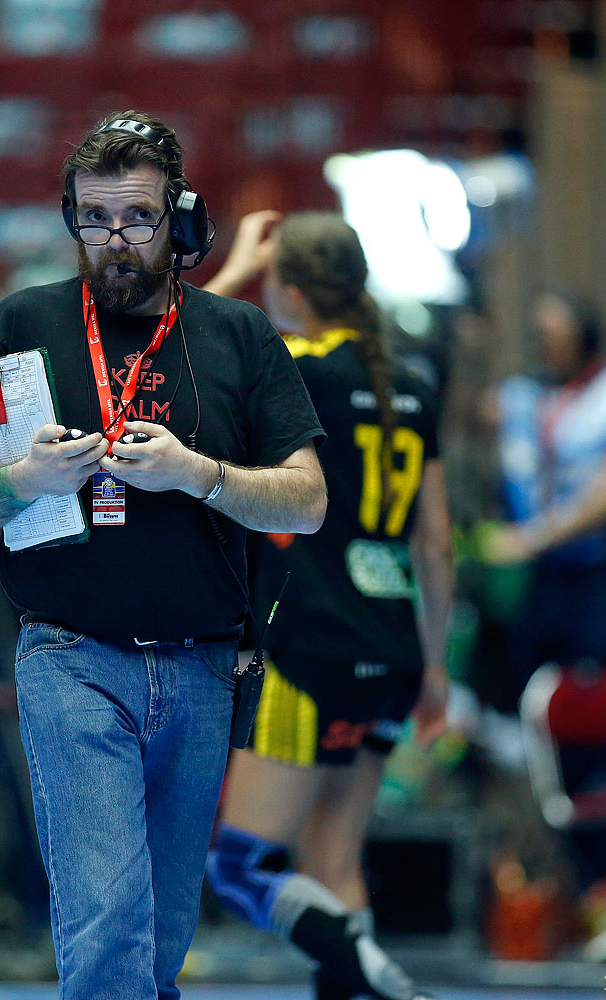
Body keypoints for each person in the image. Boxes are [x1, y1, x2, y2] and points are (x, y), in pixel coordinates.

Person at [0, 111, 327, 999]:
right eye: (93, 217)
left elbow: (308, 496)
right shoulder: (21, 324)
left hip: (201, 664)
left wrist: (199, 475)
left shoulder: (238, 336)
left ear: (180, 221)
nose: (114, 241)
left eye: (138, 218)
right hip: (71, 653)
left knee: (160, 939)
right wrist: (22, 481)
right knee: (108, 920)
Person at [201, 211, 452, 1000]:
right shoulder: (409, 383)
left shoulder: (296, 367)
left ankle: (375, 979)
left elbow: (169, 361)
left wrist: (234, 271)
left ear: (292, 288)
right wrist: (435, 666)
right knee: (334, 865)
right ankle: (363, 976)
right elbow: (437, 543)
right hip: (395, 650)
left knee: (238, 866)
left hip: (310, 649)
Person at [485, 290, 606, 921]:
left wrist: (534, 536)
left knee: (597, 731)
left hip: (600, 581)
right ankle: (538, 876)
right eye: (538, 335)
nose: (545, 347)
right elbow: (462, 416)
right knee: (517, 726)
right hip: (538, 587)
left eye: (556, 333)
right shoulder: (523, 398)